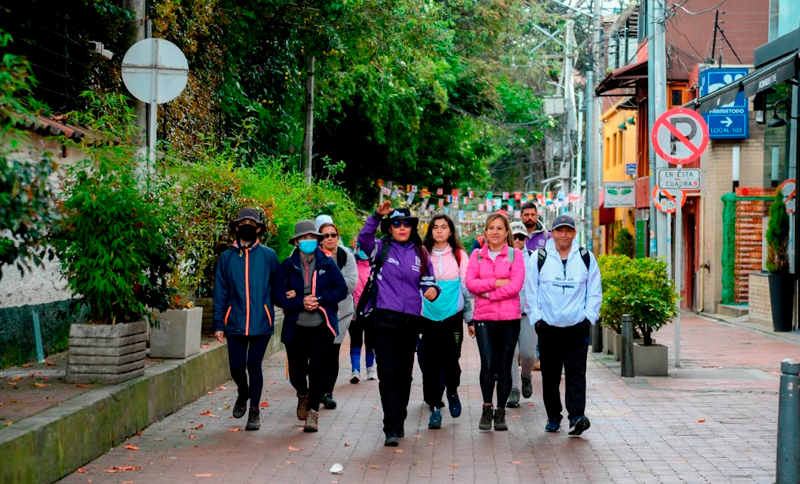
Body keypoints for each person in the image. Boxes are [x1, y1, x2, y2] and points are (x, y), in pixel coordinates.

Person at [357, 202, 439, 447]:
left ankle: (399, 419)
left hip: (411, 321)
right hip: (383, 319)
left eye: (406, 224)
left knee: (404, 375)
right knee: (388, 373)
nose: (402, 228)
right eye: (396, 224)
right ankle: (390, 427)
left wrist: (433, 290)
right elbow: (363, 240)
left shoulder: (420, 252)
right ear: (389, 227)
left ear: (412, 227)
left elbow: (428, 281)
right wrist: (375, 215)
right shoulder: (380, 248)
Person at [525, 214, 601, 436]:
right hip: (548, 326)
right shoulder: (539, 258)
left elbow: (594, 291)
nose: (564, 235)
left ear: (574, 233)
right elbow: (531, 291)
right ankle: (553, 416)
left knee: (576, 373)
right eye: (560, 231)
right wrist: (537, 321)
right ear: (552, 233)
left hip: (577, 327)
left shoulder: (586, 257)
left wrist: (588, 319)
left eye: (568, 231)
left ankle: (577, 416)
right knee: (550, 375)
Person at [272, 220, 348, 433]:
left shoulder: (327, 263)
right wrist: (299, 302)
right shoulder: (287, 265)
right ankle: (302, 394)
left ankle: (313, 410)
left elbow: (341, 289)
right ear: (296, 242)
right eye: (304, 238)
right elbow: (276, 293)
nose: (309, 241)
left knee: (317, 369)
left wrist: (320, 299)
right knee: (296, 371)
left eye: (313, 237)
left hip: (321, 325)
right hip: (296, 326)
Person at [213, 208, 279, 431]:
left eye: (252, 224)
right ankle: (243, 391)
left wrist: (290, 298)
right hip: (235, 320)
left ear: (258, 228)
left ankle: (254, 411)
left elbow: (278, 286)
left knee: (254, 365)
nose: (247, 227)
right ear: (236, 227)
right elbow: (220, 292)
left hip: (262, 321)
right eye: (243, 223)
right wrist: (219, 324)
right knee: (236, 366)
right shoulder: (226, 258)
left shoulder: (269, 256)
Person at [466, 213, 525, 432]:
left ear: (506, 232)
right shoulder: (476, 256)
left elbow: (515, 285)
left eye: (499, 228)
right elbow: (471, 284)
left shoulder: (515, 255)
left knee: (504, 365)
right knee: (488, 364)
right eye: (491, 228)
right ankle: (486, 407)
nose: (495, 232)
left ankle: (500, 412)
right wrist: (497, 282)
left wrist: (489, 293)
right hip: (484, 319)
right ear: (485, 232)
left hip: (510, 319)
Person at [420, 214, 472, 429]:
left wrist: (471, 318)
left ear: (451, 231)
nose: (439, 231)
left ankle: (452, 390)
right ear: (430, 231)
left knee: (451, 360)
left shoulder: (459, 255)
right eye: (435, 227)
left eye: (444, 227)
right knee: (430, 364)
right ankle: (434, 408)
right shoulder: (422, 254)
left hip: (452, 317)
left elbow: (467, 288)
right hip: (427, 317)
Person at [318, 221, 358, 409]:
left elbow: (351, 284)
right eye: (325, 235)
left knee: (333, 352)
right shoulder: (313, 255)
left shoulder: (345, 254)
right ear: (319, 238)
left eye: (333, 235)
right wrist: (335, 286)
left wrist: (327, 285)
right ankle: (316, 390)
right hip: (318, 312)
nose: (330, 238)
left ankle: (328, 392)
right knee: (318, 353)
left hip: (341, 312)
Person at [507, 222, 538, 408]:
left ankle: (526, 376)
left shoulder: (534, 258)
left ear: (526, 239)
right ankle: (513, 390)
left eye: (521, 237)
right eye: (514, 237)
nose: (518, 240)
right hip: (508, 314)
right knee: (512, 353)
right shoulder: (503, 257)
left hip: (528, 314)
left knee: (528, 354)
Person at [348, 242, 376, 383]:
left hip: (370, 313)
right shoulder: (352, 266)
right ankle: (355, 371)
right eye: (361, 248)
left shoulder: (375, 267)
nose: (364, 251)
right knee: (355, 341)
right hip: (354, 312)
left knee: (370, 342)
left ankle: (370, 369)